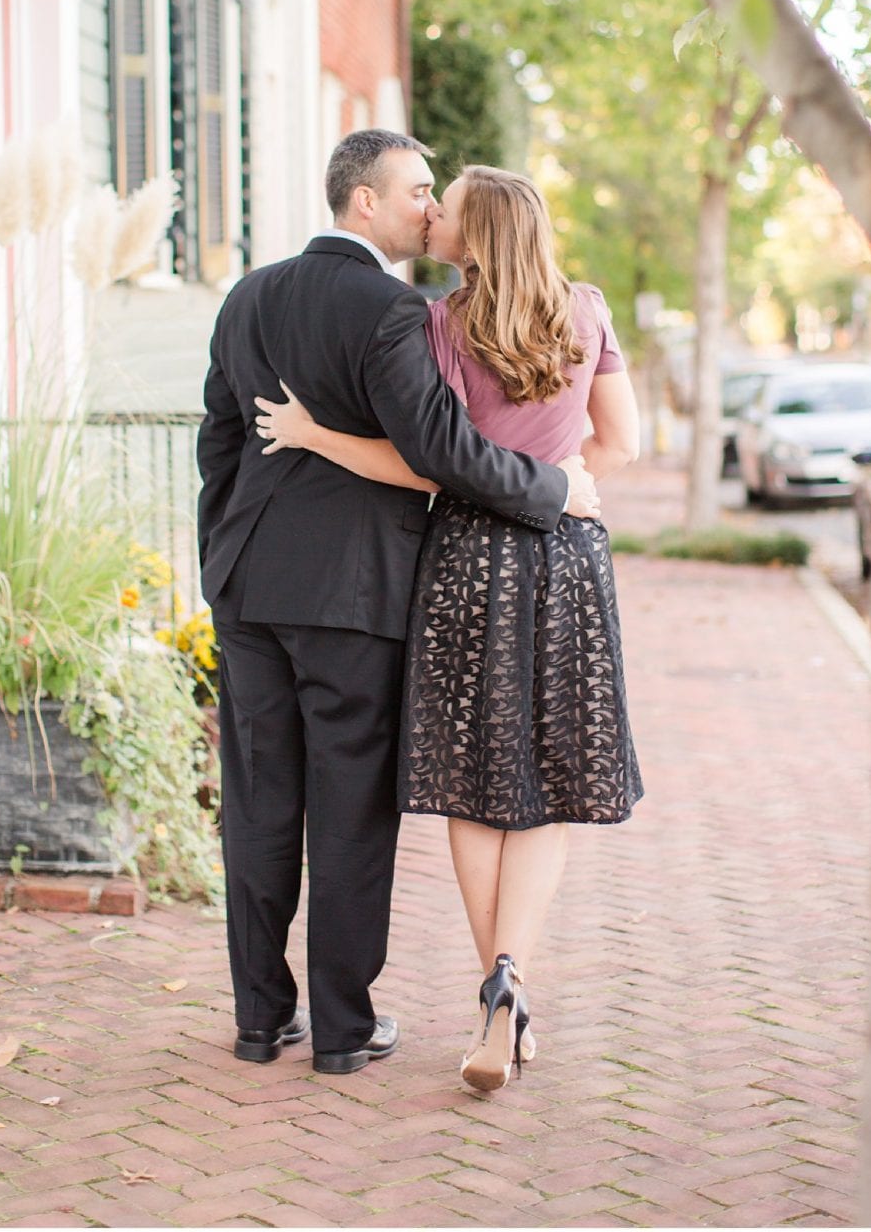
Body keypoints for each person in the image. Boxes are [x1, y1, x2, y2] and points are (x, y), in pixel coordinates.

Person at [196, 131, 599, 1078]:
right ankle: (340, 1031)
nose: (430, 207)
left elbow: (217, 441)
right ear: (363, 203)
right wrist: (554, 491)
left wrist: (219, 553)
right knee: (346, 811)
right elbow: (441, 454)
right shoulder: (393, 311)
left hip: (246, 584)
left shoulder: (247, 296)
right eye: (418, 190)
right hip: (355, 592)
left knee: (255, 805)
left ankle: (259, 1020)